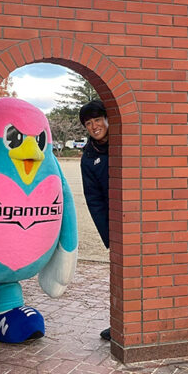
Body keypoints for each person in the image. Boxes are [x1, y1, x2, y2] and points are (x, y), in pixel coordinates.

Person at [78, 100, 111, 341]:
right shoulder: (88, 157)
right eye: (88, 123)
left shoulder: (126, 142)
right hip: (115, 225)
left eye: (98, 120)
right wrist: (108, 235)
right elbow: (94, 200)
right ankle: (120, 322)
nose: (94, 126)